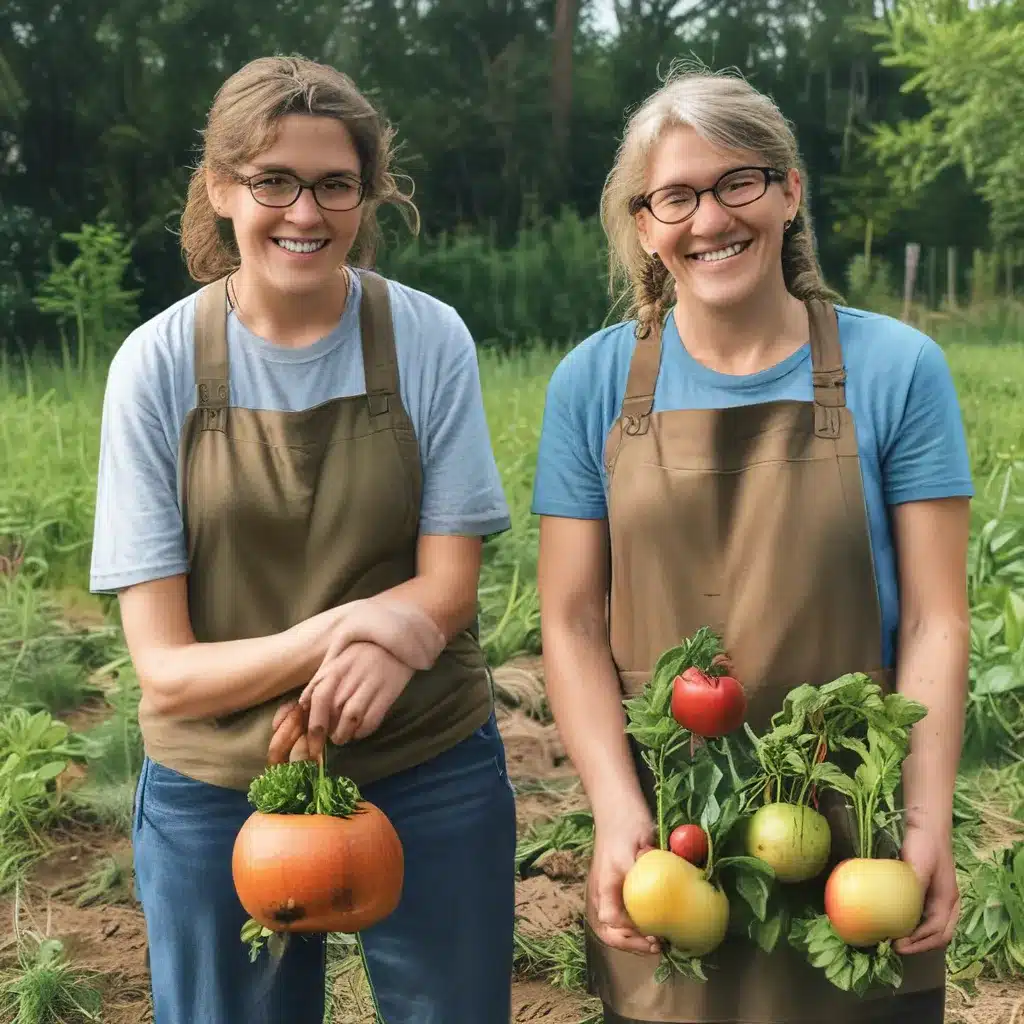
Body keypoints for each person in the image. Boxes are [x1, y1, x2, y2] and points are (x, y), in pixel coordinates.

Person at [532, 63, 970, 1024]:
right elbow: (567, 622)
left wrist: (928, 819)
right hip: (673, 833)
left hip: (857, 819)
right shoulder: (593, 386)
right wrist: (614, 809)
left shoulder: (898, 369)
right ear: (645, 225)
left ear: (788, 193)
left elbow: (938, 618)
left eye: (737, 183)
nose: (709, 218)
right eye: (675, 197)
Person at [89, 54, 517, 1024]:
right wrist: (353, 631)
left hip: (423, 748)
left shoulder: (427, 338)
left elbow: (449, 584)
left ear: (366, 194)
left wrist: (393, 638)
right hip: (221, 773)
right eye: (273, 181)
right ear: (220, 188)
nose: (305, 212)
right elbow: (165, 671)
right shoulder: (155, 367)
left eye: (334, 184)